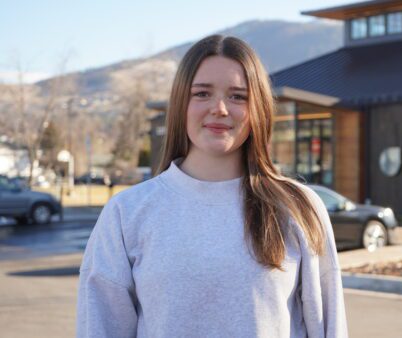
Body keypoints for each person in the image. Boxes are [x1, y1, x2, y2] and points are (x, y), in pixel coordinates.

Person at [76, 35, 348, 338]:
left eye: (238, 97)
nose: (219, 108)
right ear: (181, 104)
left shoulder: (298, 207)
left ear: (257, 108)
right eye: (202, 93)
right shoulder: (126, 213)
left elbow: (328, 328)